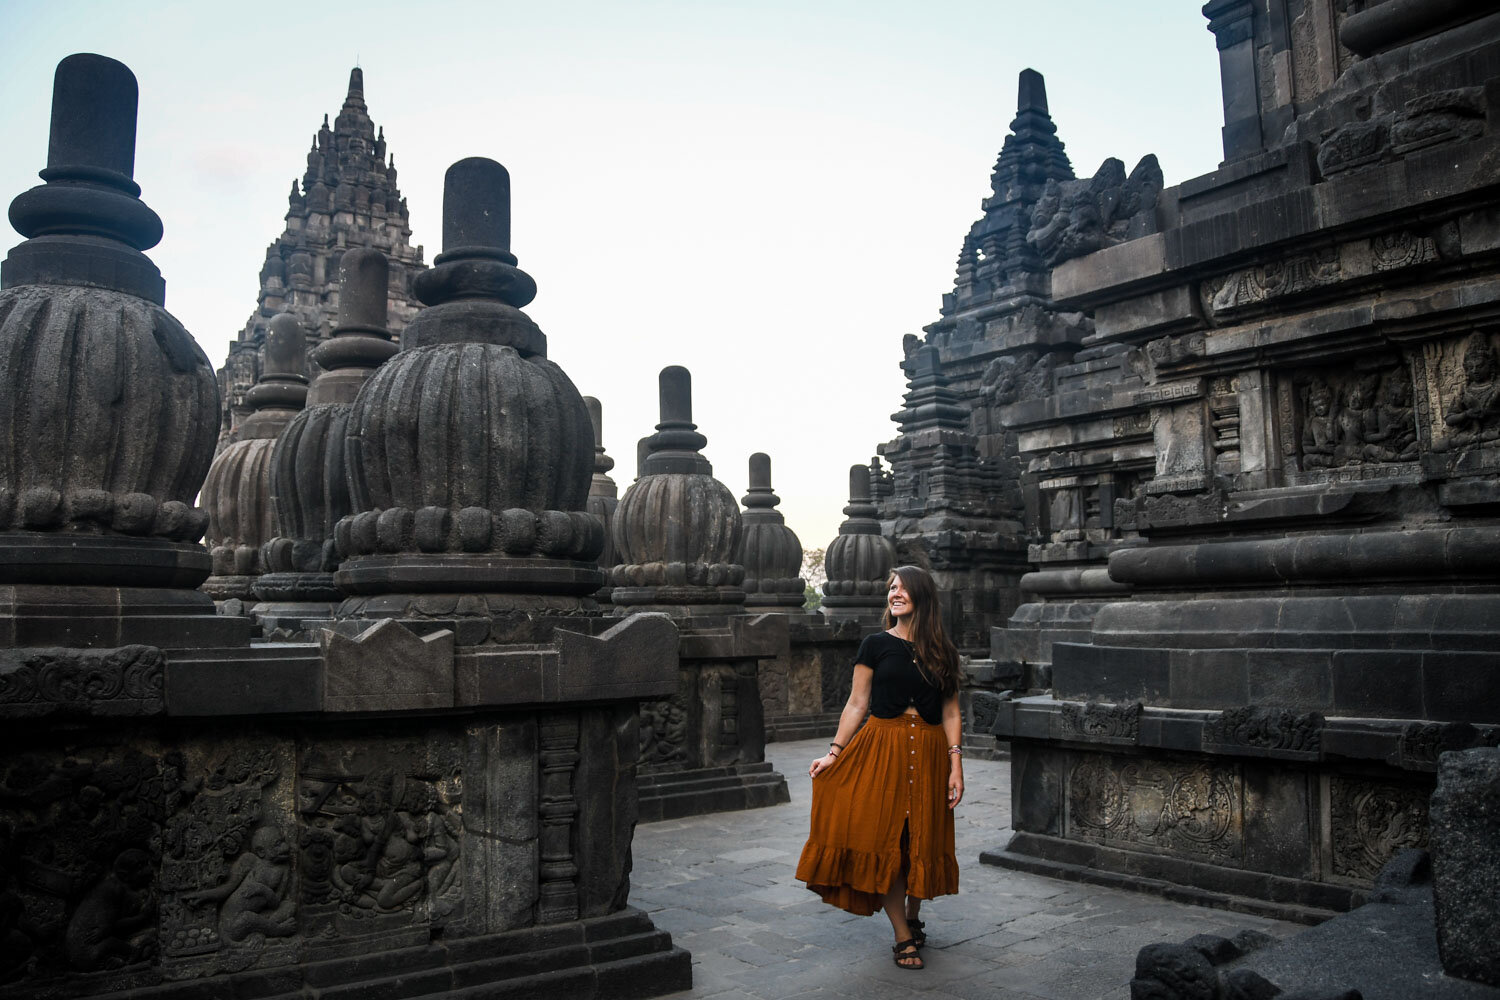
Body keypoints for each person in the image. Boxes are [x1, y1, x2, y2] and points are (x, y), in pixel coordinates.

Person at [795, 565, 963, 971]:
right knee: (884, 842)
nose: (895, 593)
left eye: (903, 588)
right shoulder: (874, 645)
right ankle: (903, 936)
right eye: (891, 588)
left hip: (929, 750)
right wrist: (834, 753)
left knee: (920, 841)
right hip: (881, 747)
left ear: (921, 596)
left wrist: (956, 764)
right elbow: (857, 704)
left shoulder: (943, 650)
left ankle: (913, 914)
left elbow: (952, 710)